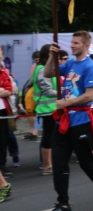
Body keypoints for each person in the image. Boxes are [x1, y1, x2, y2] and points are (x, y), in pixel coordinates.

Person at [40, 31, 93, 211]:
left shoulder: (90, 66)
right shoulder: (70, 64)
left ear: (85, 45)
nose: (72, 45)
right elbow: (48, 73)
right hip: (63, 121)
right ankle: (63, 204)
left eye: (76, 43)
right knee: (59, 162)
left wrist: (66, 103)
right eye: (72, 42)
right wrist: (52, 55)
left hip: (81, 121)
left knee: (87, 163)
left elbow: (90, 96)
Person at [32, 45, 58, 175]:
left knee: (51, 136)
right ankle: (47, 166)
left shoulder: (43, 68)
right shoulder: (42, 70)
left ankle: (50, 163)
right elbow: (48, 91)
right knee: (48, 137)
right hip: (47, 108)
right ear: (48, 55)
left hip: (51, 108)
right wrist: (64, 93)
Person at [0, 55, 13, 201]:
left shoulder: (3, 72)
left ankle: (3, 185)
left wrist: (3, 90)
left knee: (2, 140)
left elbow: (9, 90)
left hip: (2, 112)